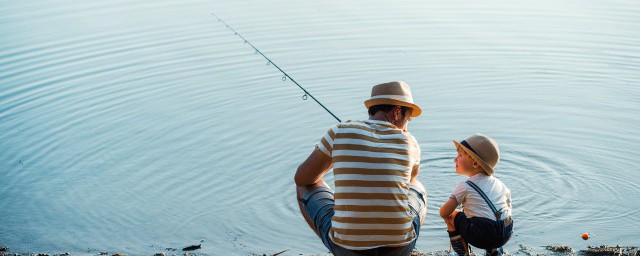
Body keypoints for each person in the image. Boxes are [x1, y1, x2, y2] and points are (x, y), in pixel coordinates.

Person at [294, 81, 427, 256]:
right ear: (396, 112)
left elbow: (302, 179)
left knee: (304, 186)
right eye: (407, 119)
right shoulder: (410, 142)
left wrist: (337, 157)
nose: (407, 125)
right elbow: (410, 180)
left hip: (347, 249)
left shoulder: (339, 131)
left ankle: (339, 243)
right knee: (418, 188)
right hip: (400, 248)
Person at [439, 134, 513, 256]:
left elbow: (443, 212)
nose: (455, 159)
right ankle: (494, 250)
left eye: (460, 155)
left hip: (483, 233)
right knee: (493, 217)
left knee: (451, 215)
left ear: (475, 163)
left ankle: (463, 253)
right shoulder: (499, 184)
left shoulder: (465, 186)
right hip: (506, 231)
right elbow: (508, 207)